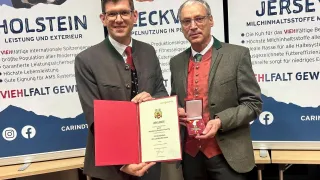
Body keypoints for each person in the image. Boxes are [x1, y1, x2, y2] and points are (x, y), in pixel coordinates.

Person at [169, 0, 263, 180]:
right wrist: (176, 110)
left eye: (199, 19)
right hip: (191, 157)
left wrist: (220, 121)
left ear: (211, 20)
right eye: (186, 21)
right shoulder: (176, 62)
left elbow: (253, 104)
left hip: (228, 157)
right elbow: (176, 100)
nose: (193, 26)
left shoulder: (237, 55)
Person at [74, 0, 168, 179]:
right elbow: (95, 118)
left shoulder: (149, 51)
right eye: (112, 14)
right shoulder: (86, 60)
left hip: (149, 162)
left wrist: (153, 100)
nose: (118, 19)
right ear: (103, 19)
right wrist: (122, 161)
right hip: (111, 170)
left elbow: (161, 92)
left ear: (135, 16)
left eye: (124, 13)